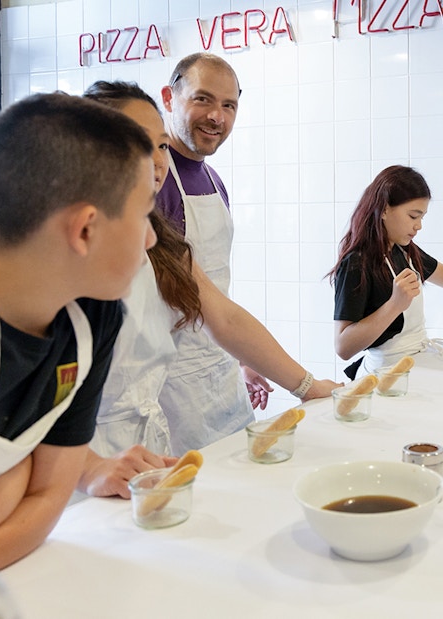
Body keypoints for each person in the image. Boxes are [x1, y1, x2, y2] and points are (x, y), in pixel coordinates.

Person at [77, 80, 340, 498]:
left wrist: (307, 386)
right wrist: (85, 469)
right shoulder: (59, 250)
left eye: (161, 145)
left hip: (147, 460)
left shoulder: (162, 244)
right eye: (136, 144)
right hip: (84, 466)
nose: (157, 161)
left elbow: (226, 317)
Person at [0, 92, 156, 569]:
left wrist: (12, 489)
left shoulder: (95, 319)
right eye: (144, 214)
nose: (152, 237)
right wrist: (7, 489)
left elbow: (46, 500)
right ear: (85, 230)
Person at [156, 52, 275, 454]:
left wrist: (243, 356)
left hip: (221, 369)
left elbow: (215, 283)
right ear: (169, 99)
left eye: (229, 105)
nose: (217, 117)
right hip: (174, 383)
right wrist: (305, 383)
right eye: (203, 99)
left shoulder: (213, 178)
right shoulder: (157, 181)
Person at [329, 165, 443, 379]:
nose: (419, 226)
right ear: (383, 209)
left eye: (421, 218)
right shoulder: (356, 263)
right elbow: (343, 347)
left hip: (416, 361)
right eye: (413, 216)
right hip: (384, 375)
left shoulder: (406, 251)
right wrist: (395, 305)